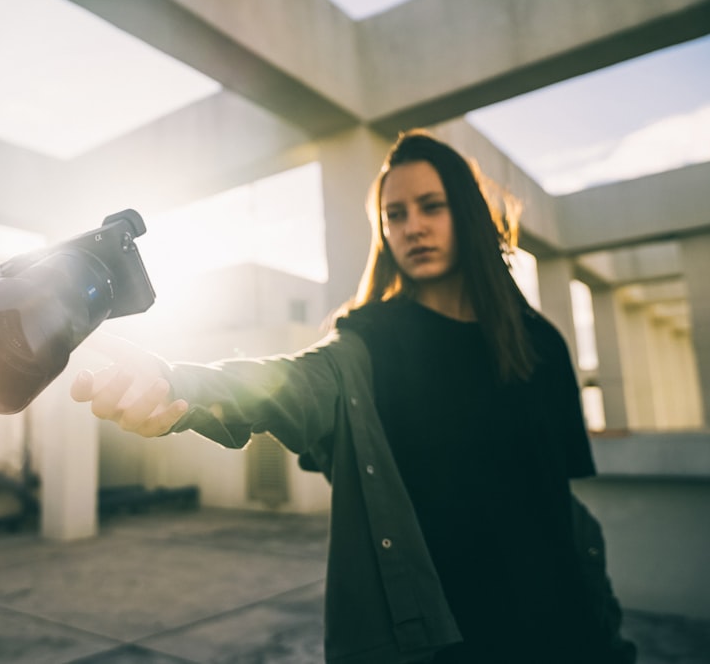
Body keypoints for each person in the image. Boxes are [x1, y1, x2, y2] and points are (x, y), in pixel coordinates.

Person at [70, 129, 635, 663]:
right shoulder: (369, 341)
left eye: (431, 206)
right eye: (396, 214)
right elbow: (287, 382)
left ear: (467, 212)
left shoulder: (541, 345)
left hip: (567, 632)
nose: (412, 226)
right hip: (446, 642)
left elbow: (561, 505)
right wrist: (178, 383)